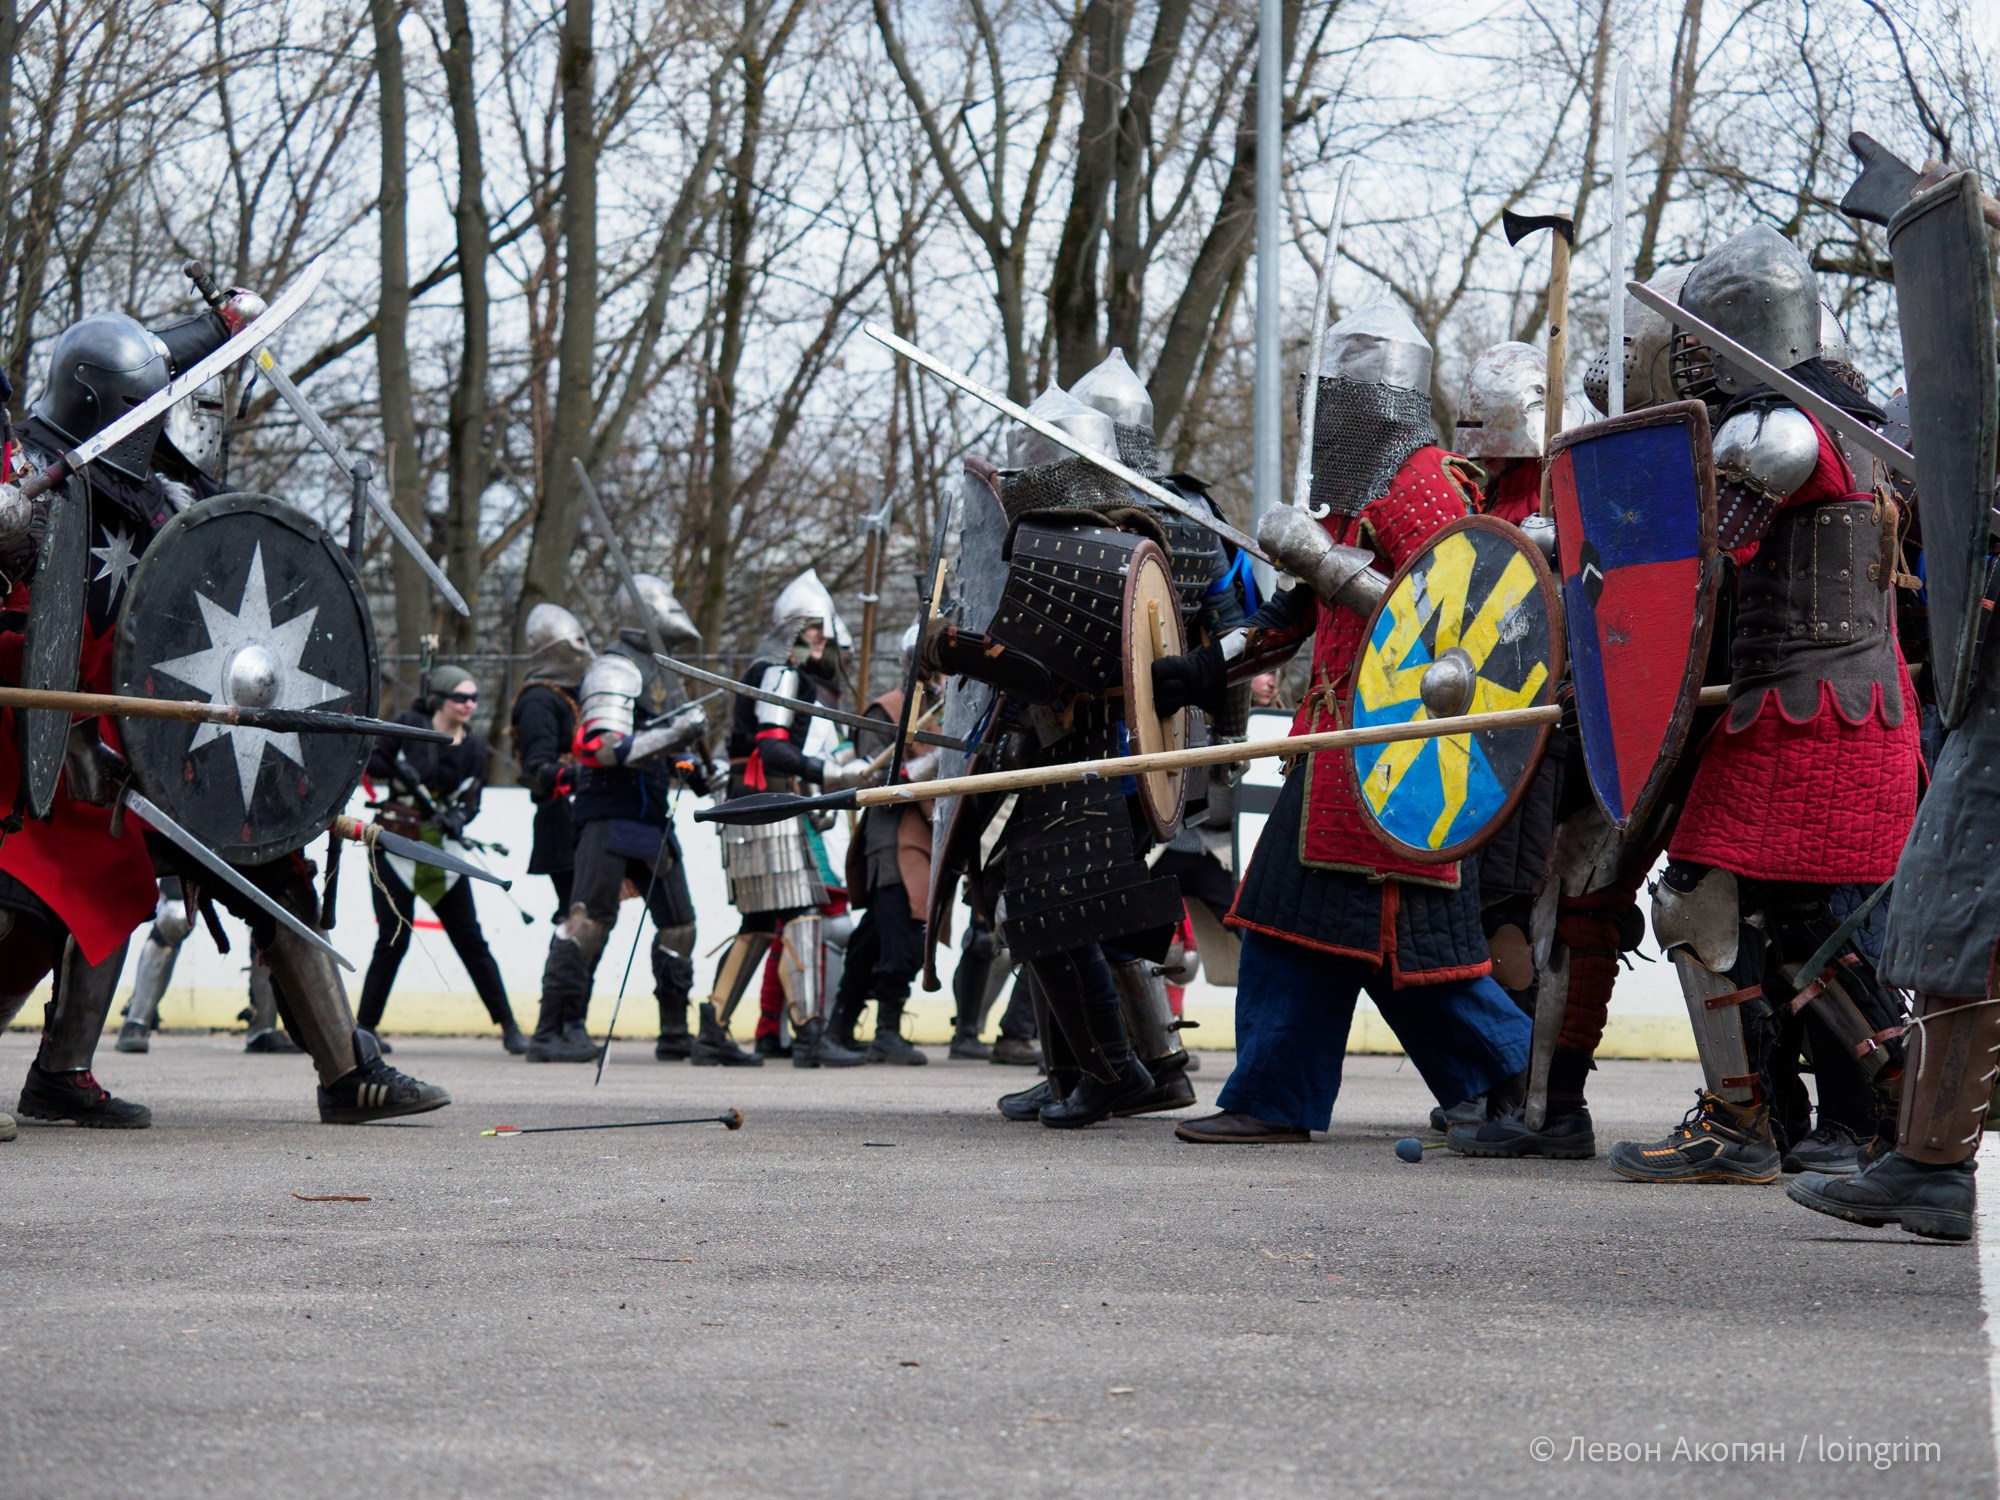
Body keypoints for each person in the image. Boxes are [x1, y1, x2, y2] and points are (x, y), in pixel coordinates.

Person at [0, 299, 448, 1128]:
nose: (155, 421)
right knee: (46, 895)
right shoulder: (26, 468)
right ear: (97, 407)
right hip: (30, 732)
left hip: (153, 737)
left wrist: (227, 324)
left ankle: (348, 1072)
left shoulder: (155, 496)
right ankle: (60, 1073)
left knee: (271, 860)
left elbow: (154, 364)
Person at [1152, 298, 1533, 1146]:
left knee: (1344, 930)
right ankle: (1491, 1079)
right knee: (1335, 932)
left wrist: (1330, 566)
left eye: (1330, 400)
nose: (1316, 417)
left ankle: (1511, 1076)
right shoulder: (1365, 493)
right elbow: (1296, 612)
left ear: (1365, 405)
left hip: (1394, 757)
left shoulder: (1422, 485)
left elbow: (1462, 618)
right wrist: (1208, 667)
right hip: (1338, 753)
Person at [1605, 226, 1917, 1185]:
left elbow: (1691, 559)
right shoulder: (1850, 423)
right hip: (1828, 710)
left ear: (1742, 334)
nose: (1689, 356)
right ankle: (1892, 1109)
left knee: (1713, 899)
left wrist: (1582, 555)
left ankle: (1770, 1120)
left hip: (1813, 715)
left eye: (1701, 337)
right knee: (1795, 926)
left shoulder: (1776, 426)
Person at [526, 575, 709, 1063]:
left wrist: (696, 764)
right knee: (588, 922)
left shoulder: (660, 676)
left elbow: (674, 756)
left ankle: (674, 1031)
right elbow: (603, 749)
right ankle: (551, 1030)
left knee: (680, 925)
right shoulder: (613, 669)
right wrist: (674, 735)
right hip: (609, 814)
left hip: (652, 818)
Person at [699, 571, 869, 1069]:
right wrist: (827, 772)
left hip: (762, 801)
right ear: (791, 631)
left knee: (760, 921)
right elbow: (772, 746)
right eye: (810, 627)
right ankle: (810, 1036)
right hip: (763, 801)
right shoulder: (782, 670)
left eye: (821, 627)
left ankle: (713, 1029)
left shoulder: (773, 668)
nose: (820, 636)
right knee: (802, 915)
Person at [355, 665, 524, 1053]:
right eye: (461, 697)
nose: (470, 705)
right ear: (441, 699)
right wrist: (394, 746)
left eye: (474, 698)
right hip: (395, 846)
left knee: (471, 941)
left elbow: (471, 799)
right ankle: (365, 1027)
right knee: (393, 938)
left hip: (443, 853)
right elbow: (374, 761)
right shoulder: (408, 727)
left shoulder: (475, 747)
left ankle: (509, 1026)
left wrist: (459, 817)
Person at [830, 624, 939, 1064]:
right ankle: (886, 1031)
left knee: (872, 940)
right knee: (900, 940)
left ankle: (837, 1027)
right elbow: (878, 780)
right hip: (892, 837)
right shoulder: (886, 711)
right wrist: (932, 763)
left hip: (925, 833)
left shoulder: (948, 709)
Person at [510, 603, 593, 919]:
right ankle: (561, 971)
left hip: (578, 811)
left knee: (589, 913)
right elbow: (539, 769)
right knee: (576, 914)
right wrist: (591, 771)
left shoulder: (566, 694)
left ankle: (572, 971)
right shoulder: (539, 700)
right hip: (559, 816)